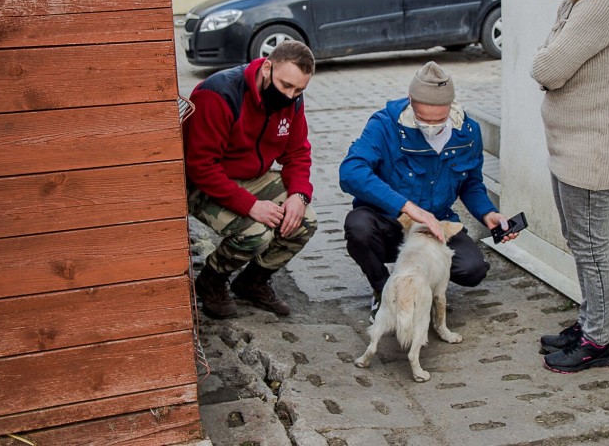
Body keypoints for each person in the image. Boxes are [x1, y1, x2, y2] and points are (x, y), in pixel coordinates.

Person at [521, 0, 609, 373]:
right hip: (571, 146)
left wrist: (547, 56)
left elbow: (547, 67)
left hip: (593, 150)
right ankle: (589, 319)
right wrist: (549, 55)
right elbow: (552, 59)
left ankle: (596, 341)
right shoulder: (581, 1)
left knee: (591, 248)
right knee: (578, 241)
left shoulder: (604, 2)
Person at [339, 61, 517, 322]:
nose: (431, 126)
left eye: (439, 119)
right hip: (391, 222)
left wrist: (487, 213)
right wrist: (407, 207)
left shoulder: (468, 133)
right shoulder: (384, 124)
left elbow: (471, 183)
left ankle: (422, 290)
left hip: (437, 224)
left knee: (473, 269)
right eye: (423, 118)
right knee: (358, 227)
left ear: (451, 105)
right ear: (410, 100)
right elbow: (350, 172)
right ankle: (383, 290)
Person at [183, 41, 318, 319]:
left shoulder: (292, 101)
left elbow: (297, 152)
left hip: (252, 176)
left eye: (299, 90)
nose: (291, 95)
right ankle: (212, 279)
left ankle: (251, 282)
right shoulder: (219, 94)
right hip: (202, 183)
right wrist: (251, 205)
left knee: (304, 221)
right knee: (257, 233)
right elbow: (200, 166)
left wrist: (299, 195)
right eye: (285, 86)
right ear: (267, 67)